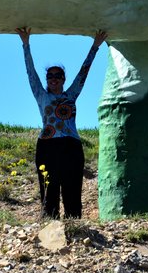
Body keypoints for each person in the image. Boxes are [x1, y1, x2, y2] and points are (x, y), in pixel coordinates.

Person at [15, 27, 107, 219]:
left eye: (58, 76)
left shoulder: (71, 95)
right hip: (48, 146)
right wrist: (26, 44)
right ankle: (51, 228)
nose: (54, 79)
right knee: (49, 188)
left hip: (71, 146)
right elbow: (30, 72)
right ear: (47, 80)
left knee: (72, 187)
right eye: (50, 76)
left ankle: (75, 228)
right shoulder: (41, 95)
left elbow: (84, 73)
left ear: (64, 79)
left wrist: (95, 46)